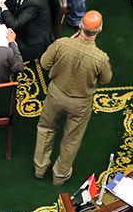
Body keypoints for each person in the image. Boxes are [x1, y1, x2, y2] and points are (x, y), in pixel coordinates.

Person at [34, 11, 111, 183]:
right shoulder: (101, 58)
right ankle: (60, 176)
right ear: (100, 29)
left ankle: (40, 168)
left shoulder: (61, 44)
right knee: (72, 138)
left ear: (80, 26)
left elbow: (44, 64)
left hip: (56, 94)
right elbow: (106, 79)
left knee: (46, 129)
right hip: (80, 102)